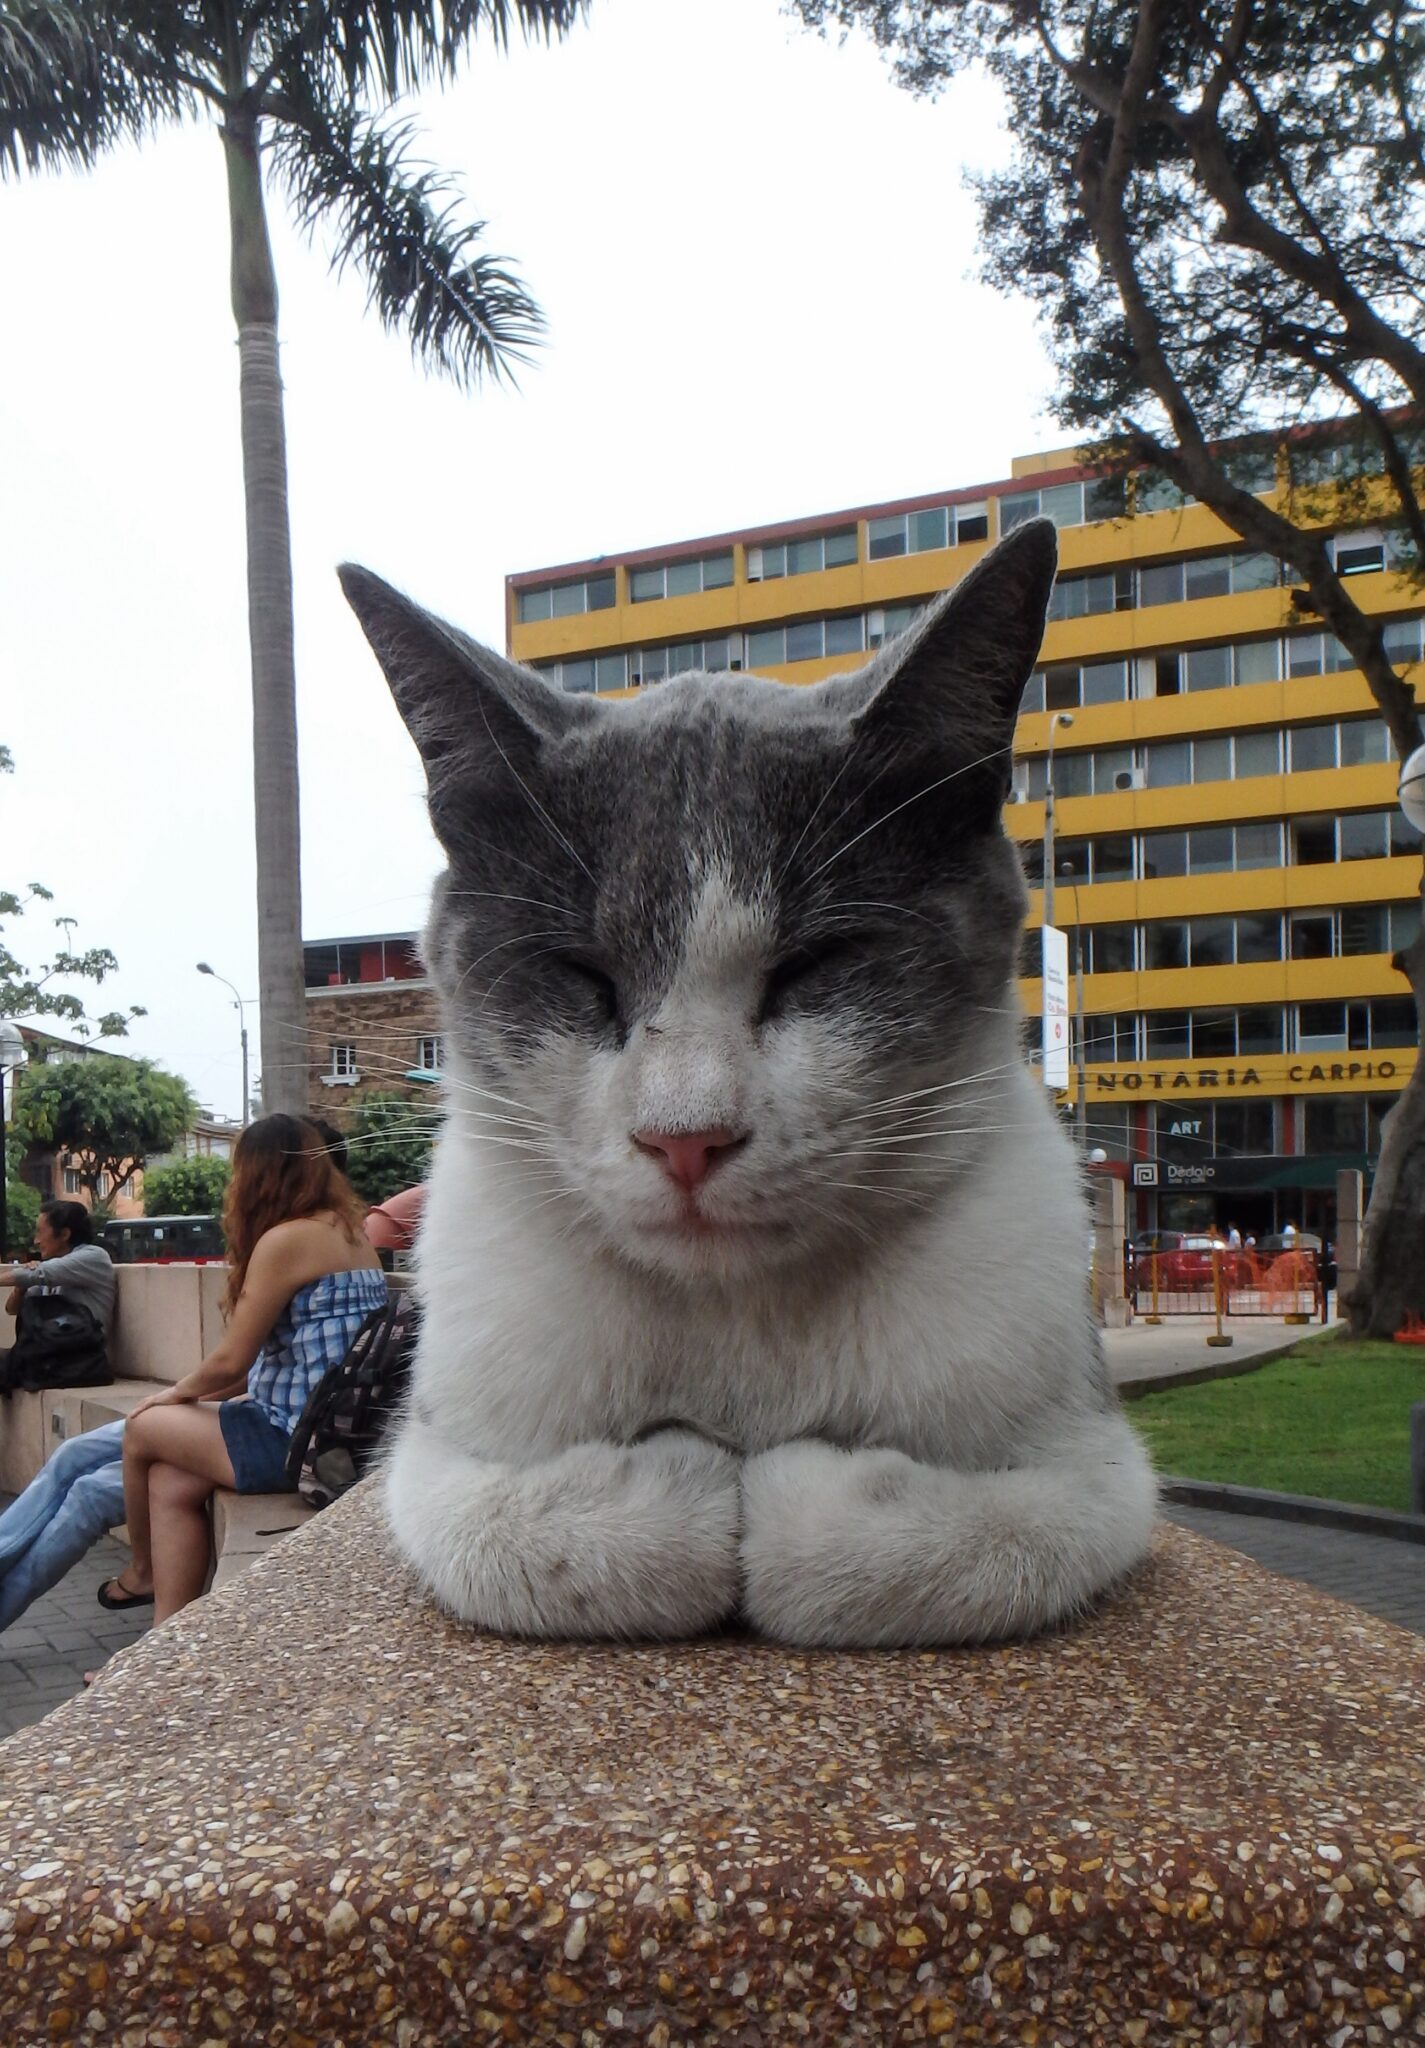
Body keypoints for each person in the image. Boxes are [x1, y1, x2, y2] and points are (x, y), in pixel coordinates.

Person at [100, 1114, 386, 1628]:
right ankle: (165, 1642)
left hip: (297, 1442)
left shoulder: (288, 1239)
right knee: (170, 1482)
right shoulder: (350, 1232)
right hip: (336, 1433)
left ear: (258, 1175)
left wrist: (172, 1396)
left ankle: (141, 1572)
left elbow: (233, 1360)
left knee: (140, 1428)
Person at [0, 1200, 117, 1373]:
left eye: (40, 1232)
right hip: (49, 1354)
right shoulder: (54, 1265)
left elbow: (40, 1274)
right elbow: (12, 1309)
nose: (36, 1240)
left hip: (79, 1360)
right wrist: (21, 1287)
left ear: (64, 1234)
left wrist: (27, 1275)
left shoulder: (93, 1257)